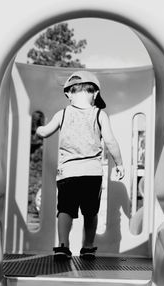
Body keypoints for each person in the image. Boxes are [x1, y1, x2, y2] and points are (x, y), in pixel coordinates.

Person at [36, 70, 125, 260]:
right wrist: (119, 164)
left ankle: (62, 245)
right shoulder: (100, 114)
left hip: (68, 173)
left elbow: (45, 132)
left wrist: (38, 129)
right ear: (95, 94)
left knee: (65, 210)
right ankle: (88, 246)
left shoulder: (62, 114)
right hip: (92, 173)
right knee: (90, 212)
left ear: (68, 94)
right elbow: (110, 141)